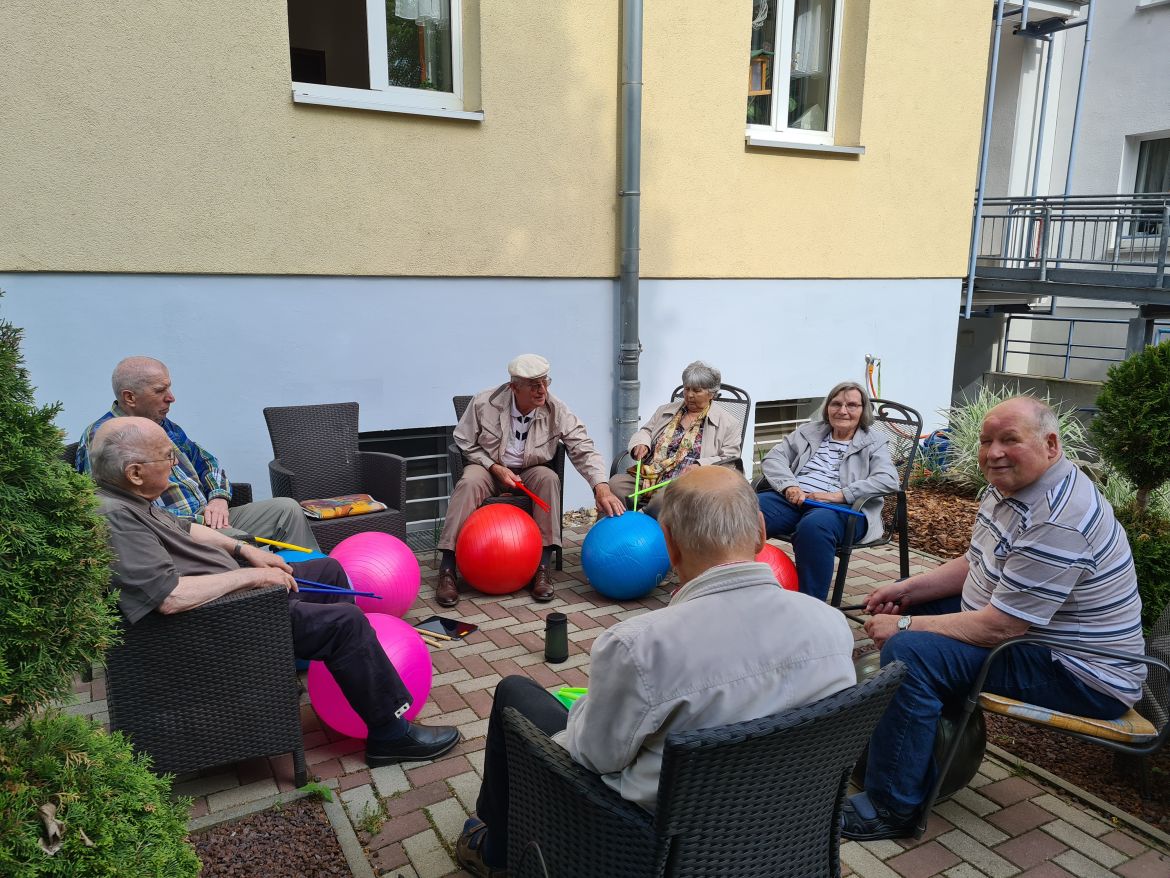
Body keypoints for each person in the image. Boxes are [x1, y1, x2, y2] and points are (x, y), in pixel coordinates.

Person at [453, 466, 856, 876]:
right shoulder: (831, 625)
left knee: (514, 693)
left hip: (651, 842)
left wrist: (580, 716)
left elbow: (594, 756)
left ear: (670, 547)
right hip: (789, 832)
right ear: (760, 530)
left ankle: (495, 852)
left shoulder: (641, 645)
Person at [843, 397, 1147, 841]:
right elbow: (977, 561)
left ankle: (891, 808)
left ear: (1051, 444)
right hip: (1033, 635)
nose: (993, 452)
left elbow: (1000, 628)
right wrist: (907, 591)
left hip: (1082, 672)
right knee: (912, 618)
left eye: (1010, 440)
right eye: (987, 441)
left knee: (912, 652)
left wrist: (904, 628)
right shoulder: (1009, 485)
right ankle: (914, 750)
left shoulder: (1061, 518)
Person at [89, 417, 460, 767]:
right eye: (167, 457)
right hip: (222, 618)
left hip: (235, 596)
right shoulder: (116, 518)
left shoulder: (133, 500)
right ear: (134, 473)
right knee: (345, 623)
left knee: (328, 569)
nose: (174, 463)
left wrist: (245, 551)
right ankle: (390, 735)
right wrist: (251, 578)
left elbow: (187, 529)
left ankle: (341, 684)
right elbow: (169, 598)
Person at [436, 354, 626, 607]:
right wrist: (493, 467)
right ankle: (448, 568)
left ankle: (542, 568)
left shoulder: (556, 409)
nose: (542, 390)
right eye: (535, 385)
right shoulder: (485, 402)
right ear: (514, 387)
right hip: (489, 467)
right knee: (468, 483)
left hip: (530, 470)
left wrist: (600, 487)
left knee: (548, 478)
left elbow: (582, 447)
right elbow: (463, 440)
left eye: (546, 382)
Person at [77, 356, 319, 551]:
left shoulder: (164, 425)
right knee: (238, 540)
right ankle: (275, 599)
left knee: (286, 509)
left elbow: (208, 462)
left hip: (211, 518)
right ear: (130, 397)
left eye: (169, 387)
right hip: (173, 534)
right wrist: (200, 524)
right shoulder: (102, 438)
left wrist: (219, 498)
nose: (171, 398)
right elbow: (113, 508)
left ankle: (311, 584)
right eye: (160, 390)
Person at [756, 380, 898, 601]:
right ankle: (735, 588)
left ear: (863, 411)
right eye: (836, 404)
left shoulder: (874, 442)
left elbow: (888, 480)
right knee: (747, 511)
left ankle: (810, 607)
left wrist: (838, 495)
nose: (842, 411)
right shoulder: (810, 431)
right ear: (827, 407)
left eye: (851, 405)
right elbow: (775, 457)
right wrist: (789, 485)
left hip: (845, 509)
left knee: (814, 527)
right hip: (798, 499)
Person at [607, 360, 742, 516]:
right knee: (615, 485)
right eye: (687, 389)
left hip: (689, 483)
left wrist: (700, 465)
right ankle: (614, 534)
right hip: (651, 475)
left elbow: (731, 460)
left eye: (697, 390)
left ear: (711, 393)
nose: (690, 395)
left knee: (664, 499)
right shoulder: (665, 411)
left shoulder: (728, 423)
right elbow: (646, 431)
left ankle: (646, 530)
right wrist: (642, 443)